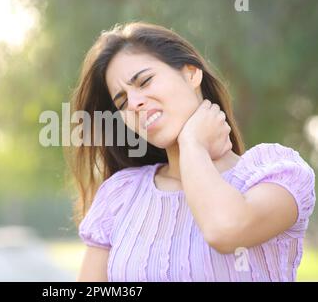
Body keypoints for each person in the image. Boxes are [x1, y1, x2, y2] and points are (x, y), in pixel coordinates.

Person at [66, 21, 316, 281]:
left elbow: (225, 229)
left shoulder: (277, 173)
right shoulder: (121, 194)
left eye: (145, 81)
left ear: (191, 73)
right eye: (123, 101)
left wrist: (192, 144)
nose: (135, 102)